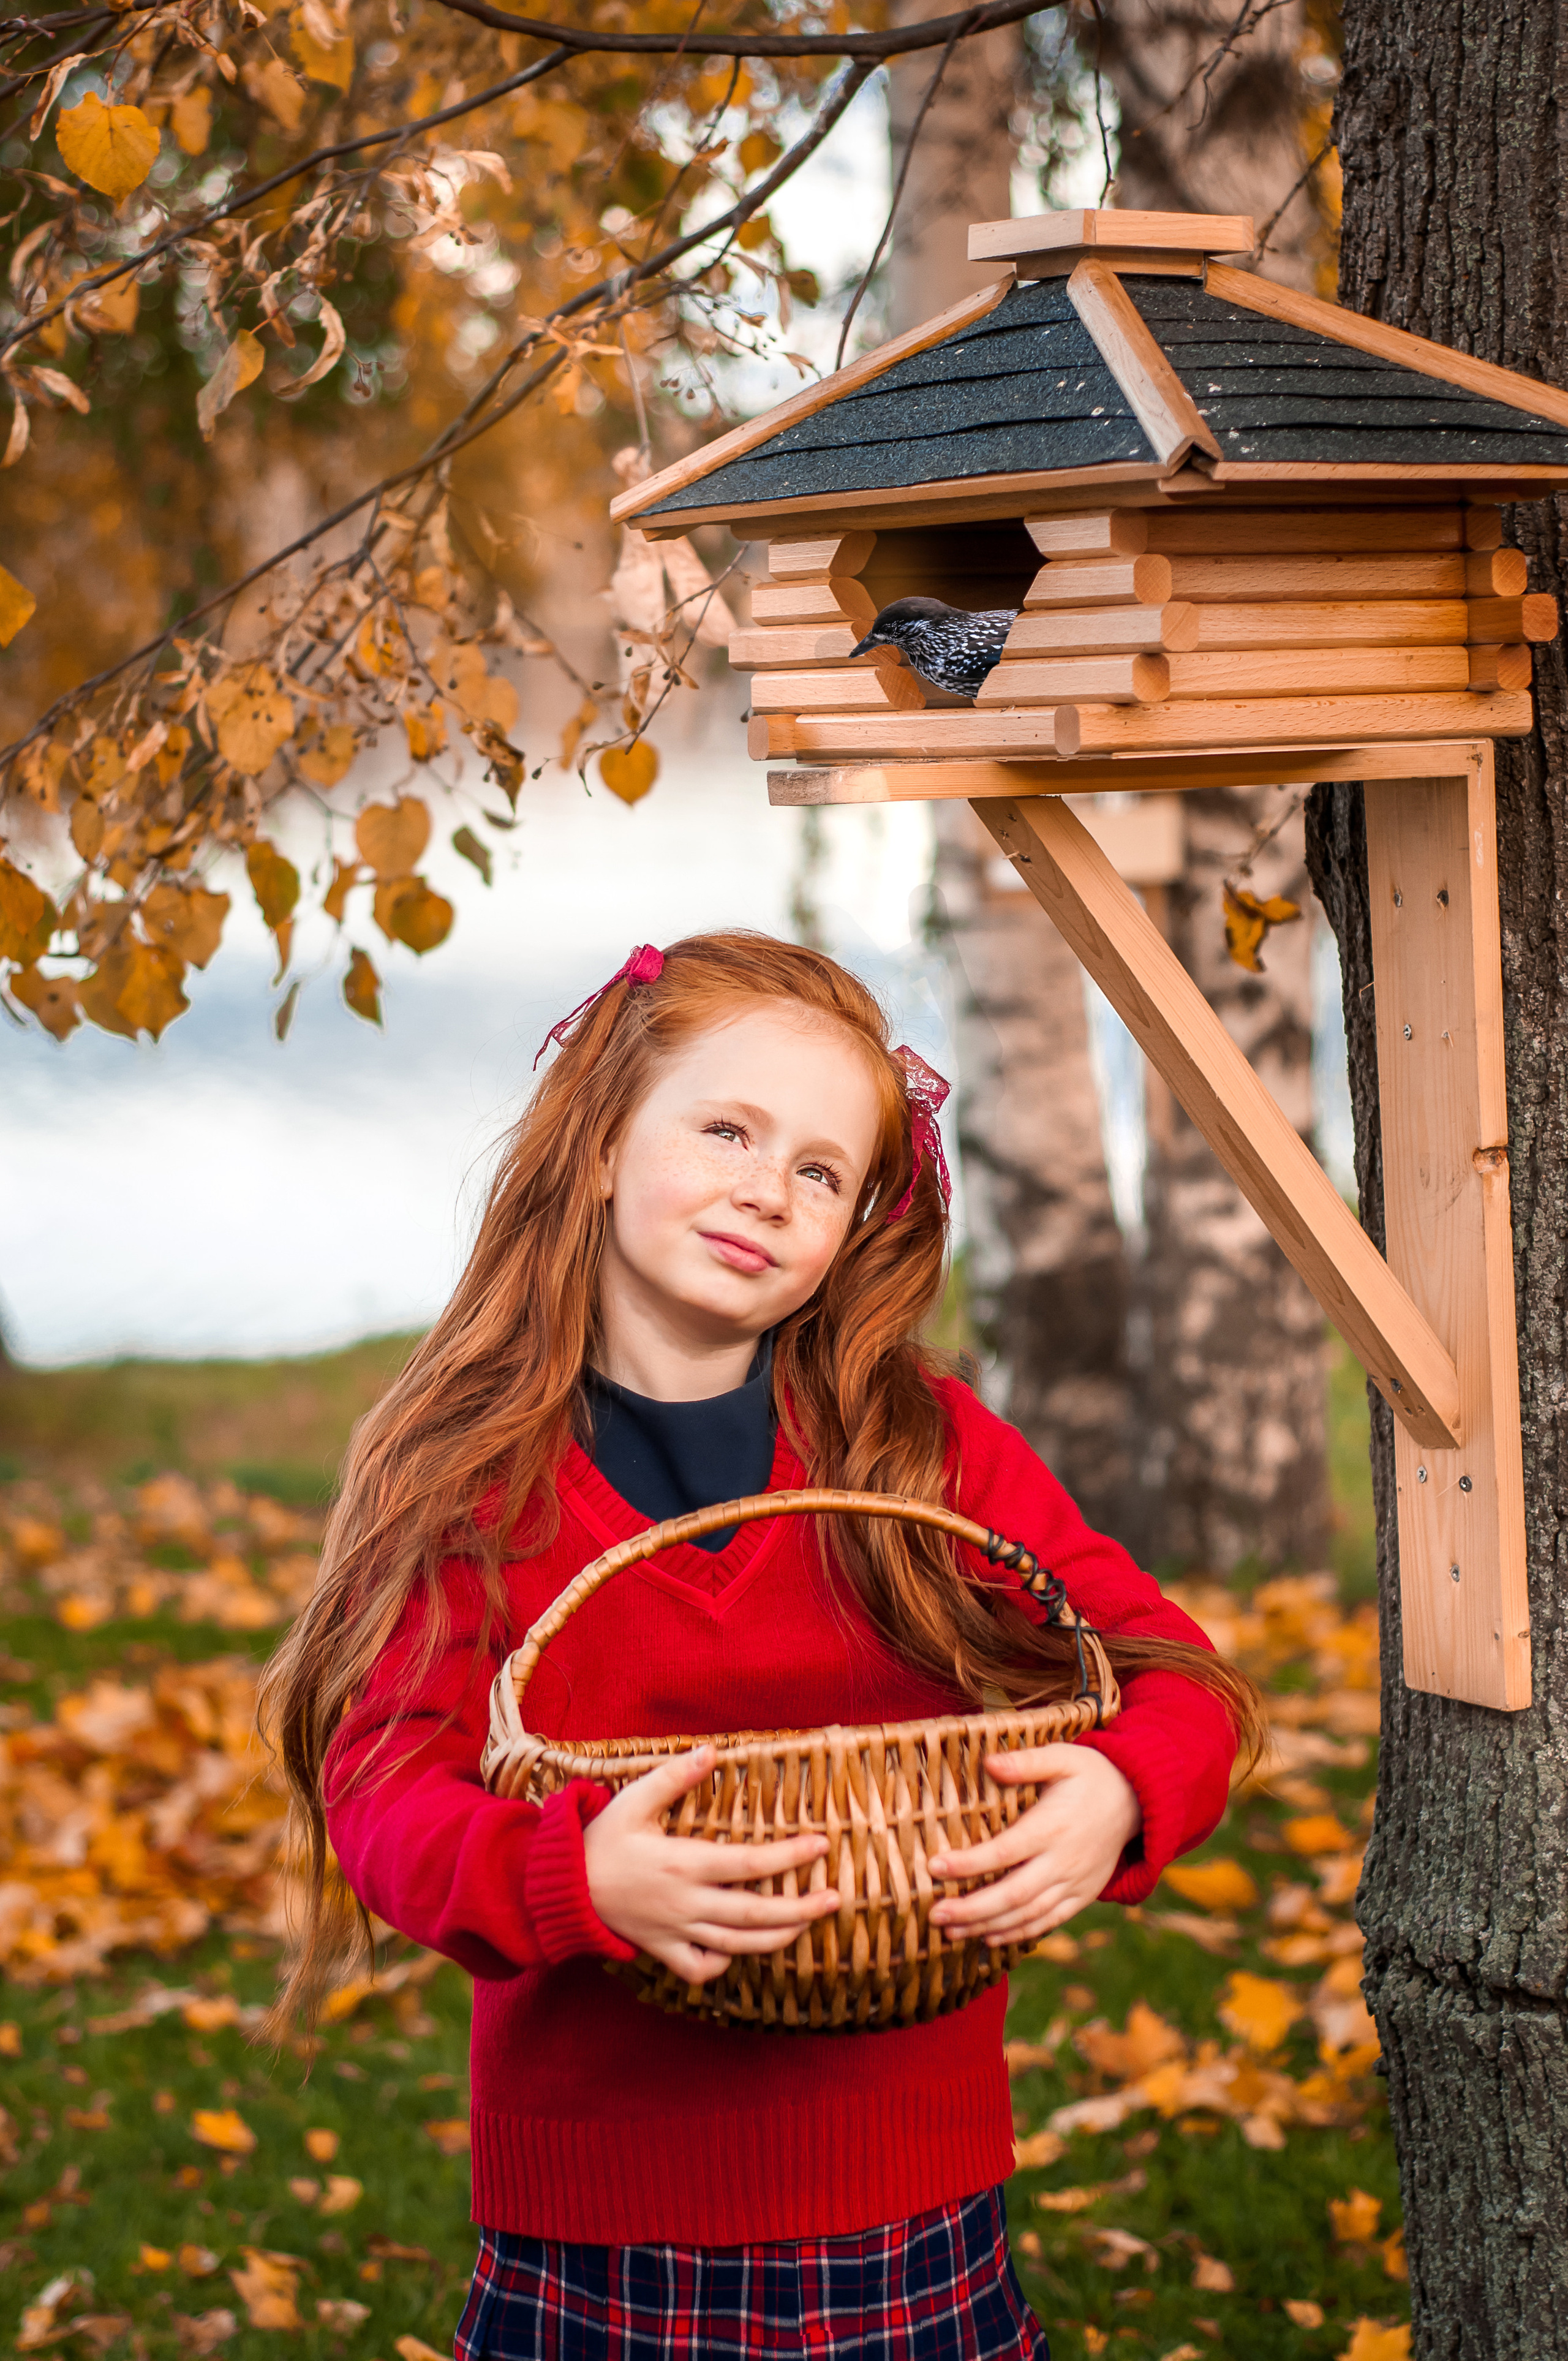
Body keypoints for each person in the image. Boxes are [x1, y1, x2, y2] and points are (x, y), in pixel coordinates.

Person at [262, 930, 1260, 2361]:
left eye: (817, 1171)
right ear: (602, 1141)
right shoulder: (472, 1476)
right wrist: (568, 1875)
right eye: (725, 1129)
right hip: (597, 2226)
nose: (763, 1190)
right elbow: (384, 1788)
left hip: (910, 2195)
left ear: (856, 1223)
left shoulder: (917, 1444)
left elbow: (1169, 1668)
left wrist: (1119, 1792)